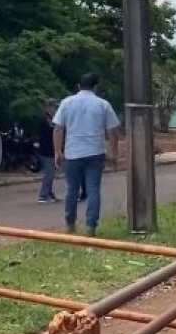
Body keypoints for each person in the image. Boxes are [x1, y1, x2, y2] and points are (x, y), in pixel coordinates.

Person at [53, 73, 120, 236]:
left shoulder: (67, 103)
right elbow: (113, 131)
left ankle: (70, 224)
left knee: (72, 189)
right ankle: (91, 226)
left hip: (73, 152)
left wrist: (57, 152)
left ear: (78, 86)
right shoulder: (103, 104)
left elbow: (58, 128)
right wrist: (114, 154)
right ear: (95, 87)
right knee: (93, 189)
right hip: (95, 152)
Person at [36, 100, 59, 203]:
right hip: (47, 151)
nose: (55, 110)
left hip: (51, 150)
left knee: (51, 173)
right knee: (49, 174)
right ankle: (43, 195)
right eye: (53, 108)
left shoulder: (51, 119)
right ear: (48, 108)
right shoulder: (45, 120)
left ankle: (49, 193)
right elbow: (51, 132)